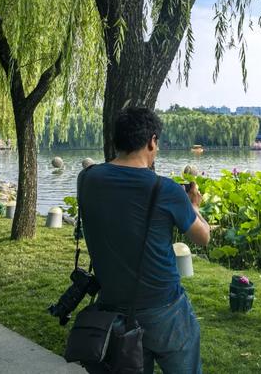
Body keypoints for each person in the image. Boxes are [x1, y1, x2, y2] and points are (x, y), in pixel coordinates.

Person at [78, 107, 210, 373]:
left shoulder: (87, 179)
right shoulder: (166, 189)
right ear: (152, 141)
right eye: (157, 144)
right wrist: (192, 205)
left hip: (112, 306)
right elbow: (203, 236)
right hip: (165, 310)